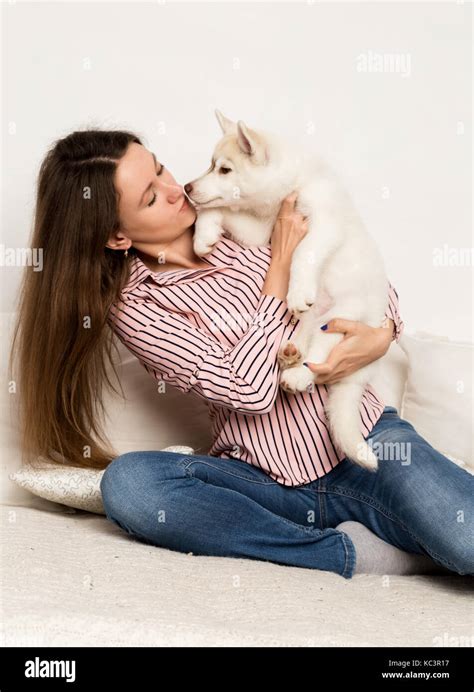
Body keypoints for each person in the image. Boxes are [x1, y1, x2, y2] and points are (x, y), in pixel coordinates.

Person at [10, 129, 473, 579]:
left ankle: (414, 537)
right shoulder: (137, 306)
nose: (175, 190)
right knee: (131, 485)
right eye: (150, 198)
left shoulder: (239, 213)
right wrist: (280, 265)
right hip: (260, 482)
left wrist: (383, 331)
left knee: (468, 540)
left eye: (161, 171)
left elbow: (364, 275)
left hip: (367, 442)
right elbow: (249, 390)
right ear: (116, 238)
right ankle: (348, 554)